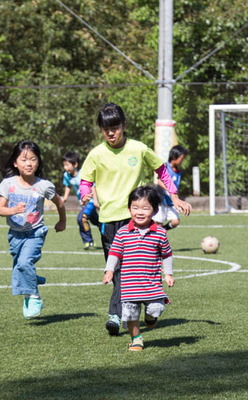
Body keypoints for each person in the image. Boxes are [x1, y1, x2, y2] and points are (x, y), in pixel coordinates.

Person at [79, 103, 191, 336]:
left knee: (143, 267)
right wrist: (85, 193)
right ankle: (119, 313)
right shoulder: (96, 154)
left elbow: (161, 170)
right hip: (108, 220)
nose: (111, 133)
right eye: (106, 129)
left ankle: (139, 310)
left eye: (115, 128)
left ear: (124, 125)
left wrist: (174, 196)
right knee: (117, 269)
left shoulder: (138, 149)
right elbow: (85, 180)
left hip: (137, 220)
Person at [0, 140, 67, 319]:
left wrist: (62, 221)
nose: (28, 163)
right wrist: (13, 210)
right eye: (24, 159)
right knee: (20, 267)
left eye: (33, 159)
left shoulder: (43, 185)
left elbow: (59, 203)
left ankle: (34, 297)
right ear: (15, 163)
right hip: (15, 235)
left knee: (23, 263)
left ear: (38, 162)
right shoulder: (8, 184)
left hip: (35, 233)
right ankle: (32, 278)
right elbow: (1, 210)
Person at [103, 185, 174, 351]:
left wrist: (168, 274)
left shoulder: (160, 233)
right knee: (130, 315)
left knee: (156, 309)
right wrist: (109, 271)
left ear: (155, 210)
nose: (140, 212)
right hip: (129, 285)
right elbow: (114, 253)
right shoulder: (122, 233)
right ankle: (136, 338)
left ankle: (150, 317)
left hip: (152, 284)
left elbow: (167, 255)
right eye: (135, 208)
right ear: (129, 209)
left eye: (145, 208)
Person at [61, 151, 100, 249]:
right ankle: (109, 233)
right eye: (64, 165)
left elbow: (92, 186)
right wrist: (64, 198)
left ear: (75, 164)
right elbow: (68, 185)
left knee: (81, 218)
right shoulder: (66, 175)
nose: (65, 167)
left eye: (67, 165)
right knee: (98, 221)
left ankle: (88, 241)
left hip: (90, 201)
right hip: (83, 203)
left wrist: (96, 201)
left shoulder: (83, 173)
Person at [152, 144, 189, 230]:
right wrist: (170, 190)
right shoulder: (165, 167)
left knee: (175, 221)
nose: (182, 161)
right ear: (174, 156)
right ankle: (158, 235)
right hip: (162, 201)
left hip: (171, 201)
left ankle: (163, 231)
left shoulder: (178, 171)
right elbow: (159, 181)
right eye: (181, 158)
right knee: (159, 223)